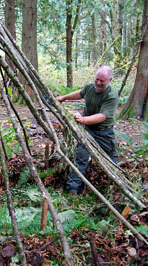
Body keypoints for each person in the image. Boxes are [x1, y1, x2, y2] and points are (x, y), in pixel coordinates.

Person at [57, 65, 119, 196]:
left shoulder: (111, 96)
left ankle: (114, 187)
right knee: (81, 157)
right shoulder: (90, 87)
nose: (98, 83)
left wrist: (82, 119)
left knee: (111, 159)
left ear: (110, 80)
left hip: (104, 132)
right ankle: (73, 190)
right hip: (87, 130)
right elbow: (80, 93)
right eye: (97, 79)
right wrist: (64, 97)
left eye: (102, 81)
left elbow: (102, 116)